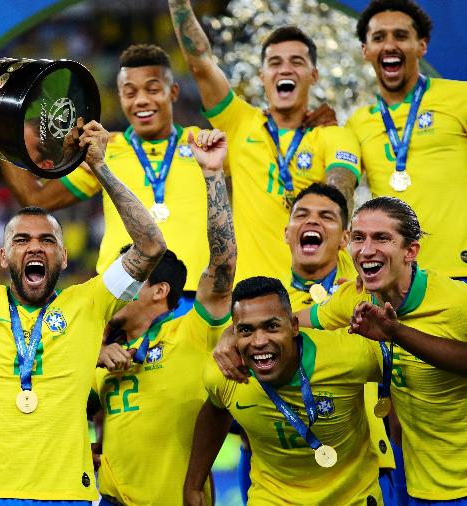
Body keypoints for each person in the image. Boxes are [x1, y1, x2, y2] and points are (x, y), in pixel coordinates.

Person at [0, 79, 166, 502]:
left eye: (47, 241)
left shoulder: (89, 302)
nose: (35, 247)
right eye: (22, 240)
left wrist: (101, 169)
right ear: (3, 256)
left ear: (63, 257)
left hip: (65, 493)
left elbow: (151, 246)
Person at [166, 0, 362, 285]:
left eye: (297, 62)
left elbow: (340, 191)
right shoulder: (239, 123)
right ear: (262, 76)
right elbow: (201, 64)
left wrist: (327, 213)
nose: (285, 70)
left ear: (314, 76)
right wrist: (178, 4)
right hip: (255, 295)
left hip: (322, 292)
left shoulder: (334, 135)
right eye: (275, 63)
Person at [2, 44, 208, 314]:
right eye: (130, 93)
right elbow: (35, 198)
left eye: (152, 90)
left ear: (173, 91)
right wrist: (5, 131)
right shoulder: (103, 149)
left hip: (195, 297)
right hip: (122, 298)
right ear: (120, 97)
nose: (141, 100)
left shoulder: (204, 144)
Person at [92, 128, 234, 505]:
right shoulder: (98, 350)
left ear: (160, 291)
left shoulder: (192, 332)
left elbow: (223, 267)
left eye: (128, 279)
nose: (114, 288)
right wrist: (92, 355)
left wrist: (213, 175)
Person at [297, 197, 467, 503]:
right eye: (359, 238)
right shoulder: (356, 298)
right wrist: (234, 333)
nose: (366, 250)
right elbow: (292, 323)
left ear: (411, 251)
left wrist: (396, 332)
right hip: (415, 482)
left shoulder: (457, 302)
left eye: (381, 238)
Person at [184, 277, 383, 505]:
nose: (259, 341)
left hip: (352, 498)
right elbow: (216, 410)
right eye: (246, 330)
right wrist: (193, 485)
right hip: (273, 498)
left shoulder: (350, 356)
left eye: (271, 327)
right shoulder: (226, 373)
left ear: (294, 326)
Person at [348, 0, 467, 281]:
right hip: (400, 282)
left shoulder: (460, 96)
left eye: (400, 36)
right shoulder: (357, 123)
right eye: (379, 37)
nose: (390, 45)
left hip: (461, 271)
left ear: (421, 45)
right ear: (366, 50)